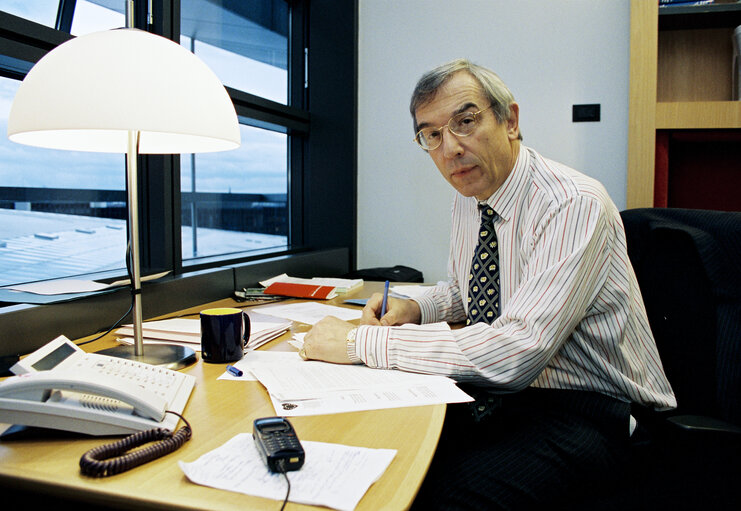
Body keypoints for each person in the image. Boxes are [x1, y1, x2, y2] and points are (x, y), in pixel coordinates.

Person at [302, 58, 676, 509]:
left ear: (510, 121)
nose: (450, 149)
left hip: (595, 409)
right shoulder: (472, 194)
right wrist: (416, 307)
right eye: (432, 135)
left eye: (465, 122)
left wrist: (357, 343)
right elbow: (468, 290)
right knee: (373, 454)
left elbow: (517, 349)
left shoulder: (572, 203)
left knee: (438, 495)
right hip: (513, 397)